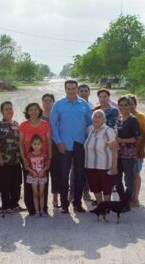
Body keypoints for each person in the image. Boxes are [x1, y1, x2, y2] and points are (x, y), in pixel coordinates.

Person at [50, 80, 92, 213]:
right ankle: (64, 205)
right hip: (64, 145)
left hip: (80, 144)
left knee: (79, 175)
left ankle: (77, 203)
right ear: (65, 89)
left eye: (74, 88)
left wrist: (88, 142)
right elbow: (53, 125)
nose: (71, 91)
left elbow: (89, 124)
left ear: (77, 89)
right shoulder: (58, 104)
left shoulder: (84, 105)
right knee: (63, 175)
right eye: (69, 88)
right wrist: (58, 142)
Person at [19, 102, 52, 216]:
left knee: (43, 185)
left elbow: (48, 141)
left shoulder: (45, 124)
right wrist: (23, 158)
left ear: (39, 111)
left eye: (36, 109)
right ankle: (32, 209)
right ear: (27, 112)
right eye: (31, 109)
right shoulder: (23, 125)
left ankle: (43, 208)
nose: (34, 111)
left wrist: (50, 157)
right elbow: (20, 143)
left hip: (43, 160)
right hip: (28, 160)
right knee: (29, 185)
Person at [0, 101, 23, 214]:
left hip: (16, 160)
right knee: (5, 184)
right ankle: (6, 206)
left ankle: (15, 204)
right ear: (2, 111)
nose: (9, 111)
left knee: (16, 183)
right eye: (6, 109)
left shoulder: (15, 124)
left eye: (11, 108)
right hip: (4, 161)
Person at [84, 110, 118, 205]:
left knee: (106, 188)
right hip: (90, 165)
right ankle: (100, 206)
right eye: (95, 116)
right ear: (92, 118)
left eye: (100, 117)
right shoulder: (89, 129)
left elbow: (115, 149)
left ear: (104, 119)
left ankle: (107, 206)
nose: (97, 119)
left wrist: (114, 167)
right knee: (95, 187)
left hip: (104, 166)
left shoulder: (108, 131)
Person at [115, 96, 140, 213]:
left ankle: (126, 203)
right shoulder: (119, 118)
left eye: (125, 105)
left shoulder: (133, 120)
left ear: (130, 106)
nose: (123, 107)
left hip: (129, 154)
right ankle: (123, 201)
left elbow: (136, 138)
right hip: (118, 154)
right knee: (117, 179)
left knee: (128, 179)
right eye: (121, 105)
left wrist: (122, 141)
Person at [41, 94, 61, 208]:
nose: (47, 103)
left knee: (56, 175)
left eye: (50, 101)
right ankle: (42, 202)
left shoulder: (57, 116)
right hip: (42, 150)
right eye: (45, 100)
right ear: (42, 102)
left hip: (56, 149)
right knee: (43, 175)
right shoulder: (39, 117)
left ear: (53, 103)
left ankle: (55, 199)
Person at [127, 94, 145, 207]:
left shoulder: (140, 117)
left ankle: (135, 198)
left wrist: (141, 150)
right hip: (125, 152)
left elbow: (143, 135)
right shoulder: (123, 116)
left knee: (135, 174)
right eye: (126, 104)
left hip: (137, 151)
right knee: (128, 174)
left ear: (135, 104)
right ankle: (129, 196)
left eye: (131, 103)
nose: (129, 106)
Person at [26, 135, 50, 217]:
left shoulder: (44, 155)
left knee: (41, 194)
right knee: (35, 194)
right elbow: (26, 166)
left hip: (42, 176)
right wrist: (33, 171)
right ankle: (36, 211)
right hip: (33, 177)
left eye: (38, 144)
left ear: (41, 144)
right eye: (35, 144)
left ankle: (42, 211)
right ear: (32, 145)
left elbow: (47, 165)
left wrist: (43, 170)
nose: (36, 146)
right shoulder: (29, 155)